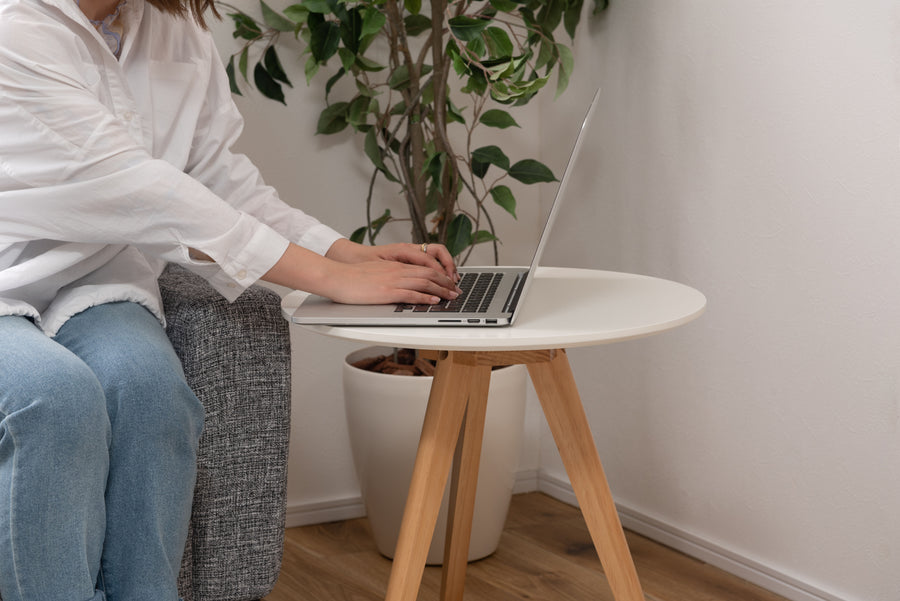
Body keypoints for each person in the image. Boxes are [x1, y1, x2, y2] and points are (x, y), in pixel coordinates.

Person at [0, 0, 461, 598]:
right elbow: (148, 190)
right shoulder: (15, 26)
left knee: (154, 395)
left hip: (93, 278)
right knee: (55, 400)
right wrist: (324, 278)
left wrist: (343, 251)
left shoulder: (176, 31)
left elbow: (219, 179)